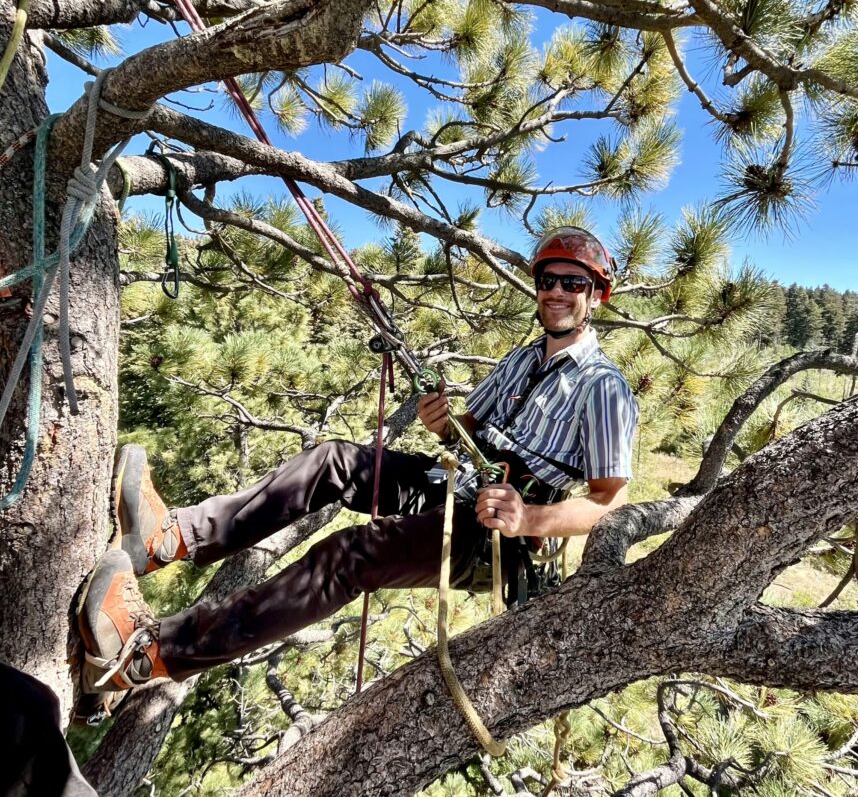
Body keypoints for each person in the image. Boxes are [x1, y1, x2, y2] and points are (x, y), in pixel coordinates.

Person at [77, 227, 638, 695]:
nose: (556, 291)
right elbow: (469, 430)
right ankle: (172, 537)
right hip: (459, 482)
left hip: (497, 535)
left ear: (597, 296)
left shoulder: (604, 387)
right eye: (547, 280)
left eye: (573, 283)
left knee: (350, 556)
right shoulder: (524, 359)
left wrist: (529, 518)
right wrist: (443, 423)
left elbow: (610, 501)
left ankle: (150, 654)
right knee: (333, 461)